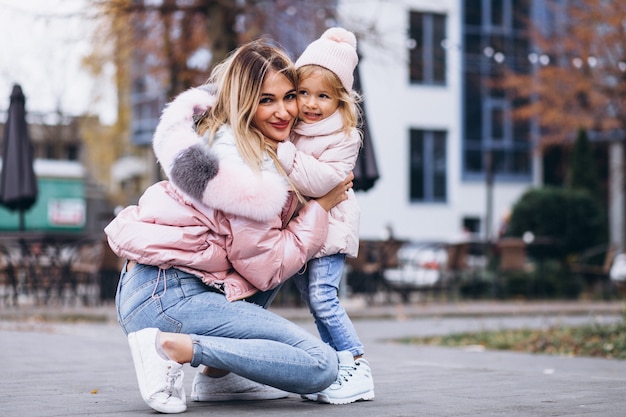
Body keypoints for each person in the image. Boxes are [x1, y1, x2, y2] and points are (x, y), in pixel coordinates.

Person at [104, 39, 357, 414]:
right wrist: (319, 209)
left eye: (289, 96)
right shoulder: (248, 172)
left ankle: (218, 374)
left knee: (268, 257)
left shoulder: (235, 140)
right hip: (170, 297)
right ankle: (172, 347)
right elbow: (267, 267)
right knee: (321, 365)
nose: (285, 111)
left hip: (157, 286)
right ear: (243, 102)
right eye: (266, 100)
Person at [275, 27, 374, 404]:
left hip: (331, 230)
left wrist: (282, 153)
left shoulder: (344, 136)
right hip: (305, 229)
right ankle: (339, 366)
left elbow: (323, 181)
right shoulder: (295, 128)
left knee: (323, 297)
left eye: (323, 96)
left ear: (340, 100)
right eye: (303, 93)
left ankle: (359, 362)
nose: (311, 104)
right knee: (314, 302)